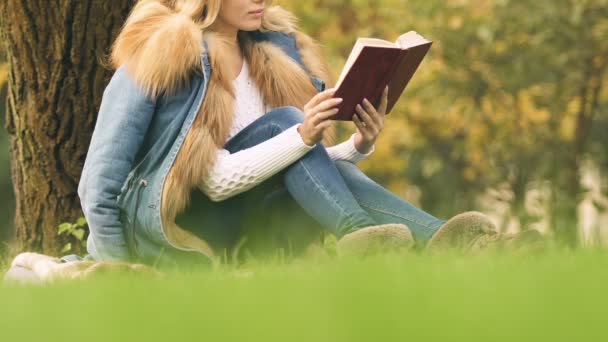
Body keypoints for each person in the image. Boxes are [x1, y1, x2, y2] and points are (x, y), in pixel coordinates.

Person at [76, 0, 519, 270]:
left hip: (254, 219)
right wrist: (123, 270)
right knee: (286, 123)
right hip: (182, 233)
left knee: (292, 130)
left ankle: (461, 243)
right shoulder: (159, 58)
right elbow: (101, 186)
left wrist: (359, 145)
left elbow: (303, 168)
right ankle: (369, 238)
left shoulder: (272, 52)